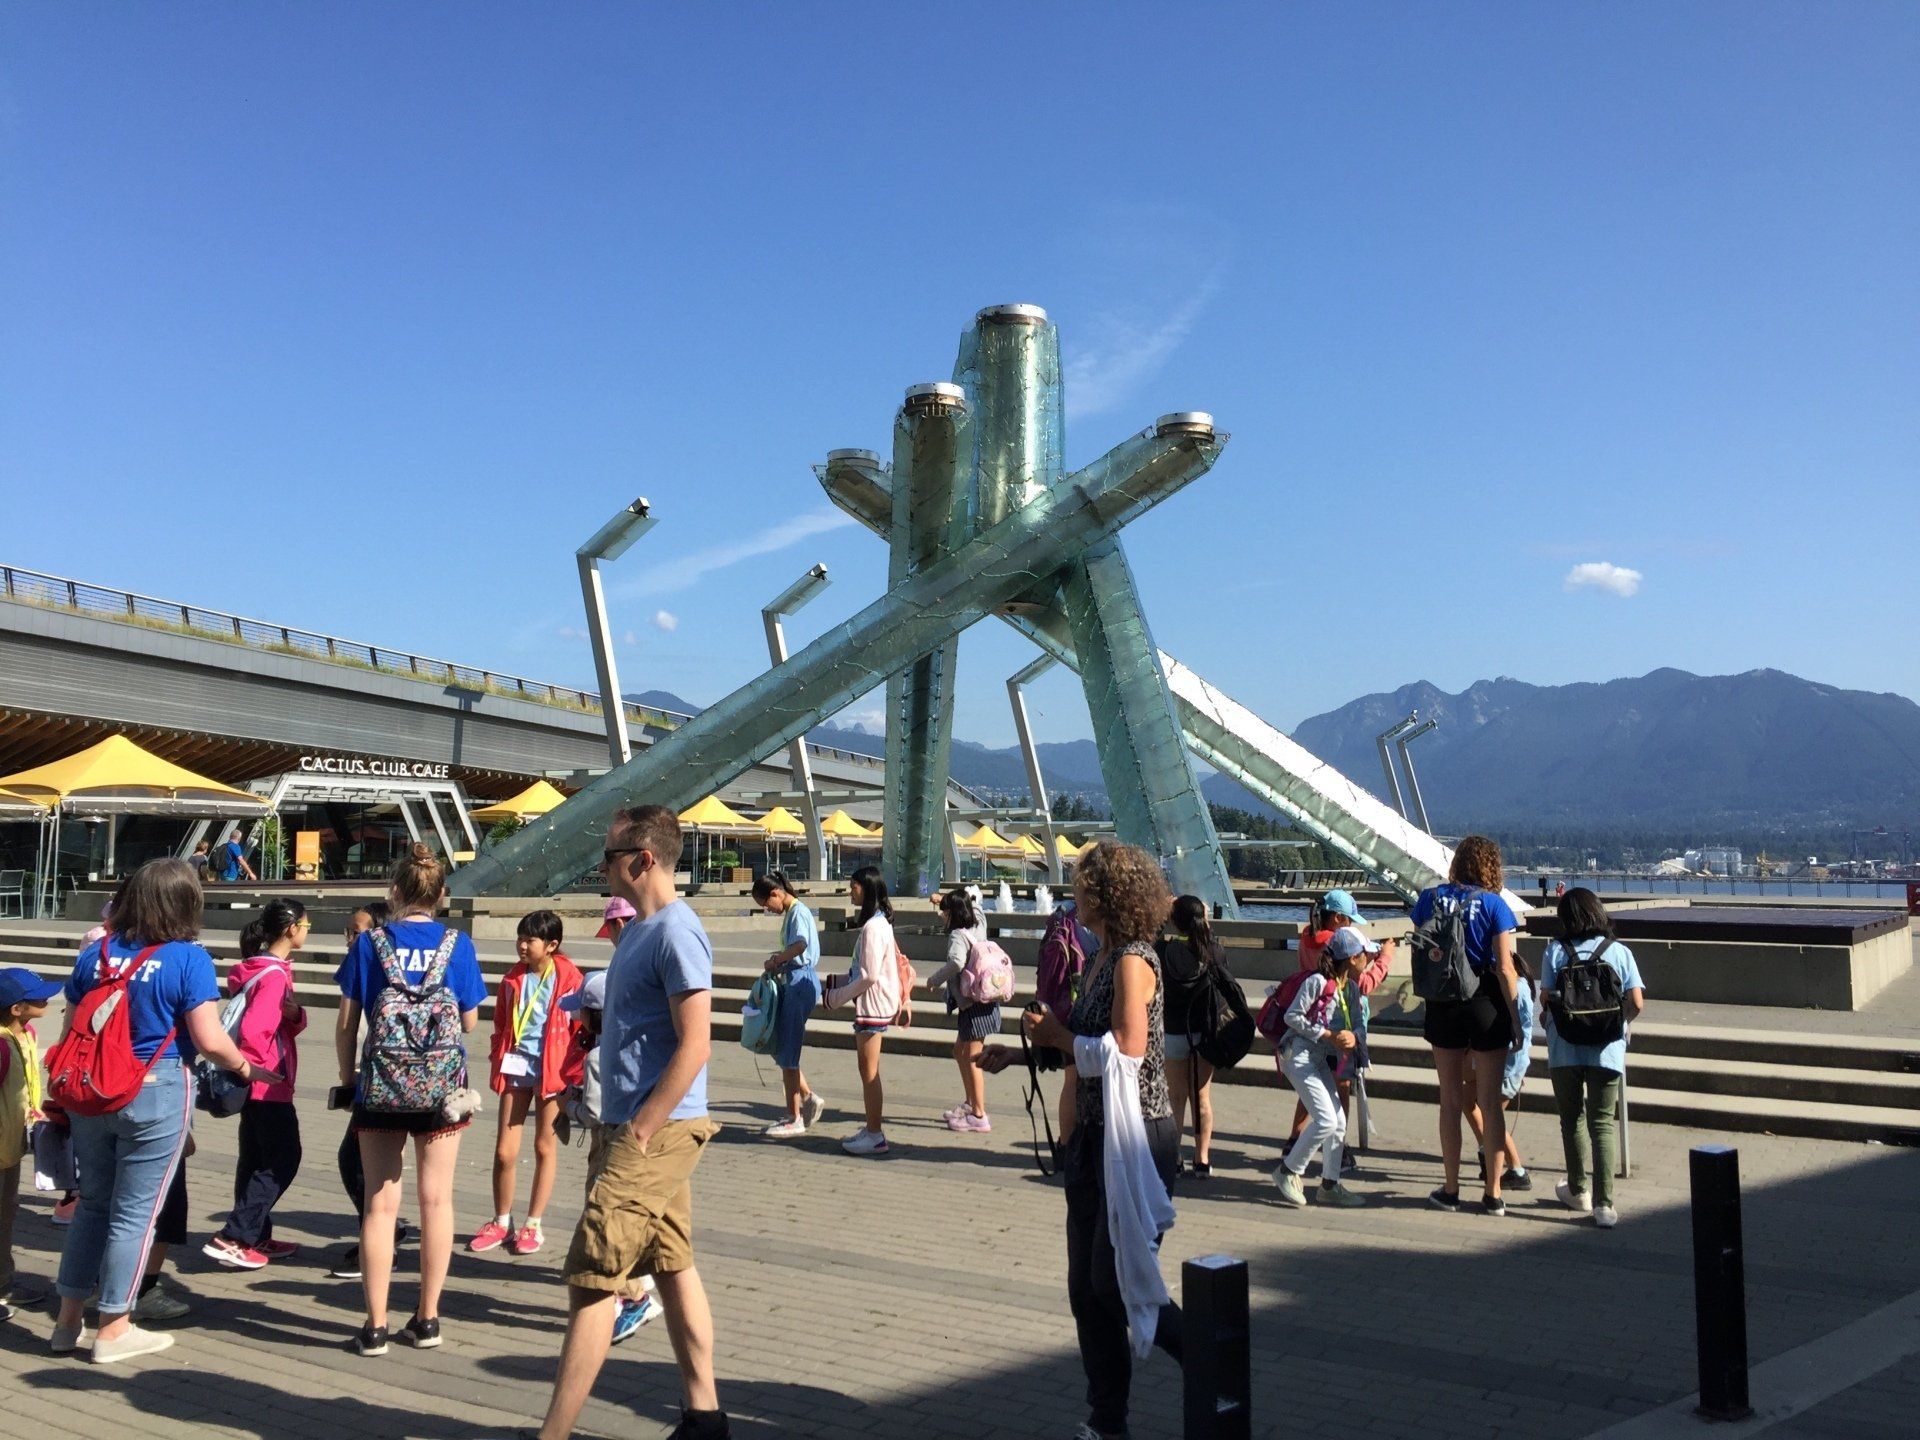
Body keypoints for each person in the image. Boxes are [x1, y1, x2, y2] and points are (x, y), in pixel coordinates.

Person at [526, 804, 727, 1440]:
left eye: (610, 856)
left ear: (643, 860)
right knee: (672, 1265)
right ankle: (706, 1416)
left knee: (593, 1277)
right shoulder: (641, 930)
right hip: (628, 1125)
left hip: (653, 1133)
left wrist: (641, 1129)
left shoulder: (676, 931)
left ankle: (552, 1435)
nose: (601, 866)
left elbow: (697, 1042)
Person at [982, 841, 1182, 1440]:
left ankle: (1210, 1354)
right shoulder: (1098, 958)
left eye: (1081, 885)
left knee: (1113, 1282)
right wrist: (1027, 1052)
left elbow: (1125, 1052)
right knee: (1085, 1291)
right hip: (1094, 1136)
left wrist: (1058, 1035)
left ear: (1107, 894)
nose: (1074, 893)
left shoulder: (1132, 961)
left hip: (1137, 1136)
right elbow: (1084, 1044)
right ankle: (1107, 1421)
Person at [51, 858, 273, 1363]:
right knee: (136, 1215)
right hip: (156, 1088)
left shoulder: (96, 954)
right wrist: (246, 1069)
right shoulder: (187, 958)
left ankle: (67, 1323)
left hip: (90, 1092)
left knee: (92, 1206)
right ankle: (114, 1326)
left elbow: (70, 1031)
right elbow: (210, 1041)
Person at [334, 844, 486, 1357]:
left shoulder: (369, 943)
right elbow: (468, 1022)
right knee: (437, 1199)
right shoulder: (456, 944)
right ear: (441, 895)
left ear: (394, 892)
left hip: (380, 1087)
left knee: (379, 1205)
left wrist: (347, 1077)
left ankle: (374, 1327)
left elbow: (347, 1022)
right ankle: (427, 1319)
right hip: (441, 1092)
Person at [1411, 836, 1524, 1217]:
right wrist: (1515, 1019)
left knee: (1450, 1101)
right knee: (1491, 1104)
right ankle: (1493, 1194)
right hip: (1484, 1004)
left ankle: (1451, 1189)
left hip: (1442, 1004)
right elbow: (1506, 968)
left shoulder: (1429, 899)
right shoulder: (1495, 905)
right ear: (1491, 867)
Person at [554, 971, 662, 1345]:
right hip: (638, 1144)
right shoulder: (631, 1043)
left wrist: (570, 1106)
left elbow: (596, 1114)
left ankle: (634, 1297)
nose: (576, 1019)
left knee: (603, 1223)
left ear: (593, 1015)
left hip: (608, 1147)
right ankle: (637, 1284)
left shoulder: (598, 1057)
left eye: (580, 1012)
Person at [205, 899, 310, 1270]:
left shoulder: (256, 969)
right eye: (306, 924)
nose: (308, 930)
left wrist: (295, 1015)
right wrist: (255, 1069)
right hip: (268, 1082)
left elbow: (277, 1020)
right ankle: (235, 1236)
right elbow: (255, 1030)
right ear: (291, 928)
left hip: (254, 1083)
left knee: (254, 1159)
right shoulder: (275, 975)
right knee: (283, 1159)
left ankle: (257, 1233)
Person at [473, 909, 581, 1257]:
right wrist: (497, 1055)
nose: (521, 945)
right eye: (519, 938)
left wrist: (573, 1073)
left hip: (552, 1070)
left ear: (552, 945)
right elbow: (501, 1024)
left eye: (529, 940)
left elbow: (581, 1028)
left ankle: (533, 1224)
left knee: (543, 1147)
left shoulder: (569, 979)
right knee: (505, 1150)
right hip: (516, 1067)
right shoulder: (512, 979)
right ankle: (501, 1221)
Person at [1539, 888, 1645, 1229]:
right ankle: (1604, 1206)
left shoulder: (1555, 951)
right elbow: (1637, 1002)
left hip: (1564, 1048)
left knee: (1572, 1120)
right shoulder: (1619, 952)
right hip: (1607, 1048)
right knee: (1602, 1123)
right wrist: (1618, 1024)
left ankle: (1578, 1189)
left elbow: (1545, 999)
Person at [331, 901, 408, 1281]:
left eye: (356, 931)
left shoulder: (367, 961)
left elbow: (346, 1027)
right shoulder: (385, 961)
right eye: (347, 931)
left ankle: (381, 1242)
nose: (350, 938)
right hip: (402, 1076)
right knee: (362, 1163)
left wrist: (348, 1079)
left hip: (377, 1077)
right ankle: (381, 1234)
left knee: (356, 1162)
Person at [1270, 927, 1368, 1209]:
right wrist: (1328, 1036)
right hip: (1298, 1056)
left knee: (1337, 1121)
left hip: (1318, 1058)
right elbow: (1292, 1016)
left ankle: (1330, 1184)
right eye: (1365, 954)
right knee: (1325, 1119)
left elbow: (1357, 1023)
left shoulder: (1349, 988)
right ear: (1351, 958)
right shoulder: (1317, 981)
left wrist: (1354, 1036)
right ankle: (1288, 1171)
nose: (1369, 958)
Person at [821, 866, 905, 1157]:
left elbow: (868, 975)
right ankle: (872, 1128)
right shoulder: (879, 924)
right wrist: (836, 986)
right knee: (867, 1070)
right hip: (875, 1003)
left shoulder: (873, 927)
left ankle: (875, 1134)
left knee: (869, 1072)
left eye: (854, 887)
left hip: (872, 1005)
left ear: (866, 890)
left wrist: (836, 997)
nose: (850, 892)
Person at [1, 966, 61, 1318]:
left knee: (5, 1217)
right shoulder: (0, 1046)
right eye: (37, 996)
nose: (47, 998)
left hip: (9, 1148)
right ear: (15, 1008)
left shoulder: (25, 1033)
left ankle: (3, 1283)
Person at [1156, 894, 1231, 1176]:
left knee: (1175, 1097)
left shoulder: (1164, 953)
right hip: (1205, 1035)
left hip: (1174, 1032)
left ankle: (1174, 1158)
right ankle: (1202, 1159)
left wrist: (1164, 912)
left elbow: (1150, 936)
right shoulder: (1215, 951)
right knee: (1201, 1097)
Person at [751, 873, 825, 1139]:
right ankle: (803, 1101)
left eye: (765, 904)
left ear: (776, 894)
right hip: (796, 978)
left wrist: (777, 960)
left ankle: (795, 1117)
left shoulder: (797, 913)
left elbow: (801, 944)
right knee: (784, 1047)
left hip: (799, 980)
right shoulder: (796, 912)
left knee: (788, 1050)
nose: (766, 910)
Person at [922, 887, 997, 1135]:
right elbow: (973, 900)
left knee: (972, 1058)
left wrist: (934, 979)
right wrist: (943, 899)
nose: (942, 916)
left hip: (972, 1004)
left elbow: (955, 962)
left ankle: (979, 1115)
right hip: (985, 1001)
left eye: (944, 912)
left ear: (952, 914)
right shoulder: (979, 921)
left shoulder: (957, 936)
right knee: (960, 1051)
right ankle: (970, 1103)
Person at [1462, 956, 1540, 1193]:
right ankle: (1489, 1153)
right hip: (1506, 1062)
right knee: (1478, 1106)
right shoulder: (1516, 989)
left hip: (1506, 1064)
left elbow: (1519, 1032)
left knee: (1491, 1116)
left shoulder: (1516, 992)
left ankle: (1515, 1168)